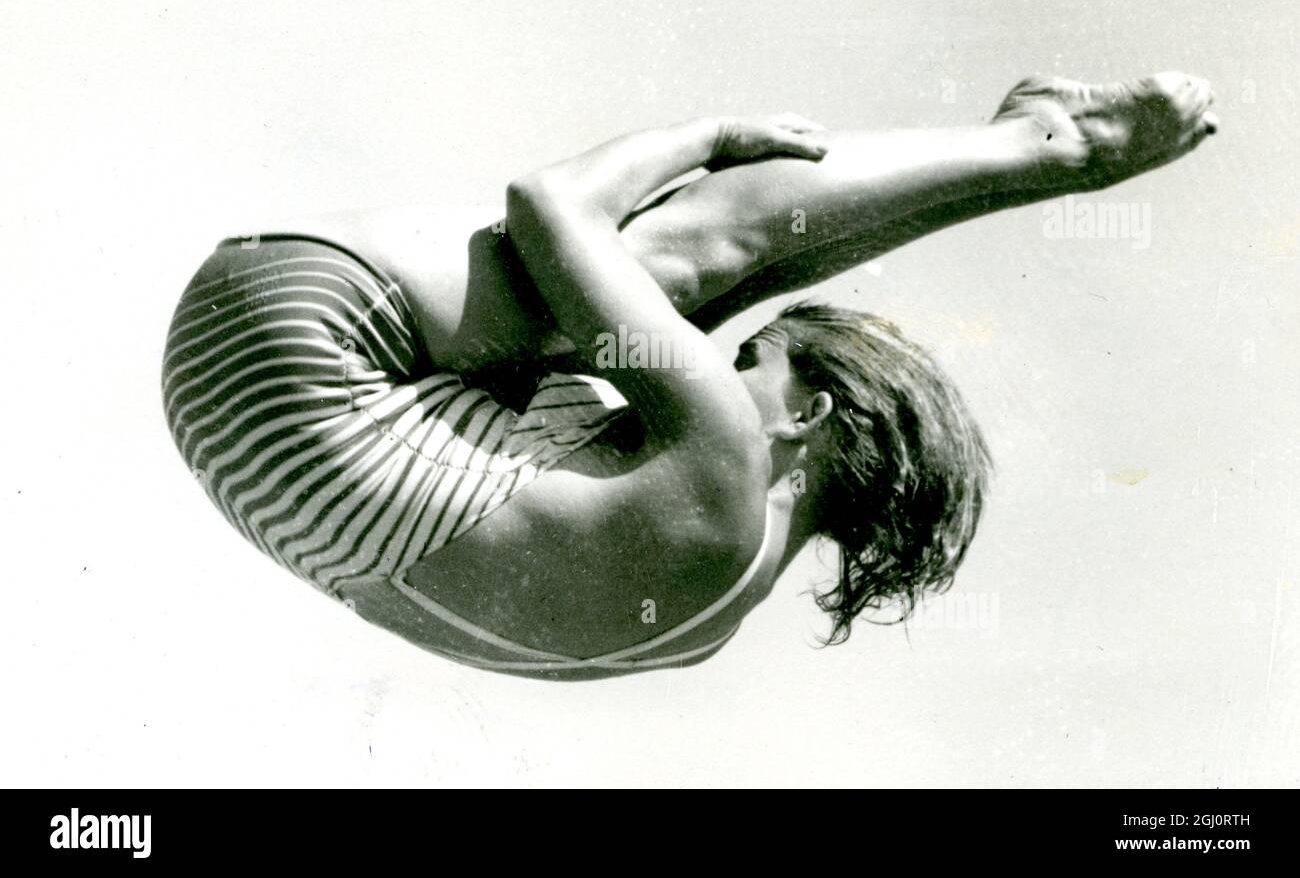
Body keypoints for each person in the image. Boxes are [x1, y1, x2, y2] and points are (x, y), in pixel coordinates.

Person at [162, 73, 1217, 679]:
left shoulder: (728, 456)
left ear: (808, 413)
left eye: (752, 361)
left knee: (672, 259)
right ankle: (1025, 154)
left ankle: (1048, 147)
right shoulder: (709, 620)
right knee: (641, 314)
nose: (721, 360)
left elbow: (549, 204)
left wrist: (705, 135)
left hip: (292, 329)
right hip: (248, 434)